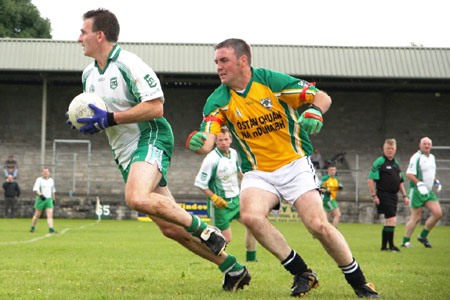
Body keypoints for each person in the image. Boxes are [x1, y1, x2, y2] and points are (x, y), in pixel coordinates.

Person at [70, 9, 250, 292]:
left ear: (99, 35)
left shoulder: (129, 64)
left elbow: (156, 106)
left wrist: (110, 119)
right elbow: (102, 114)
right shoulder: (88, 75)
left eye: (83, 32)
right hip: (124, 153)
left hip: (151, 137)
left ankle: (205, 229)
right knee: (170, 229)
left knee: (136, 197)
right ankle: (232, 268)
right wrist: (87, 123)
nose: (79, 38)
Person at [186, 38, 378, 298]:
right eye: (217, 62)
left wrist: (315, 112)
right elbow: (207, 141)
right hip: (258, 172)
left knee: (317, 225)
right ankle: (302, 273)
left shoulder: (271, 82)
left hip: (295, 164)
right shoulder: (217, 100)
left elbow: (322, 97)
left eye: (224, 61)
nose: (218, 67)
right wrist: (197, 142)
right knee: (251, 217)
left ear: (243, 60)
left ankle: (359, 282)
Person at [194, 127, 258, 262]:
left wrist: (250, 180)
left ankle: (251, 260)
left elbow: (238, 171)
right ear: (216, 142)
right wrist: (214, 197)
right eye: (220, 140)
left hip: (236, 200)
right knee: (225, 239)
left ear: (231, 140)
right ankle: (204, 253)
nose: (223, 142)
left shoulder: (234, 153)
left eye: (226, 139)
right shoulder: (211, 159)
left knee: (253, 224)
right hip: (220, 205)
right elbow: (200, 183)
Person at [368, 138, 409, 252]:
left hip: (393, 195)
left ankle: (384, 247)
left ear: (395, 150)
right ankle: (391, 245)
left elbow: (400, 181)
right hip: (383, 194)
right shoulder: (379, 162)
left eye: (392, 148)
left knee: (388, 221)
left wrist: (405, 196)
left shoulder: (395, 163)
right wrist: (374, 195)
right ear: (383, 149)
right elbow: (370, 179)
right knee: (392, 219)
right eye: (388, 148)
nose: (390, 150)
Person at [401, 137, 442, 248]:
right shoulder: (416, 157)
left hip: (428, 191)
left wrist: (436, 182)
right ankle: (405, 241)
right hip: (417, 191)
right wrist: (419, 183)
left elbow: (430, 173)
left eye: (429, 144)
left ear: (431, 146)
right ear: (420, 145)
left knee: (438, 213)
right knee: (416, 217)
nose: (427, 146)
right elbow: (409, 173)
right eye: (424, 144)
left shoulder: (432, 157)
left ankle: (423, 236)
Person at [30, 168, 57, 233]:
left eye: (47, 172)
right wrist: (41, 195)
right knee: (37, 215)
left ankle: (51, 228)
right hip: (41, 199)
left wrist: (53, 199)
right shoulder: (39, 180)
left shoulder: (51, 180)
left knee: (50, 215)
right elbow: (36, 189)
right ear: (42, 173)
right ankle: (32, 227)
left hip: (49, 199)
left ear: (49, 173)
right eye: (44, 172)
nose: (45, 173)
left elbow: (53, 191)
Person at [319, 164, 343, 228]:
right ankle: (335, 231)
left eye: (334, 170)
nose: (333, 171)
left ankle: (322, 230)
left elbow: (340, 187)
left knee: (327, 215)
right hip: (328, 198)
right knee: (338, 214)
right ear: (328, 171)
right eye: (331, 170)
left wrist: (340, 188)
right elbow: (319, 187)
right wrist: (326, 191)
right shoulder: (325, 178)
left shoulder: (336, 179)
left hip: (332, 198)